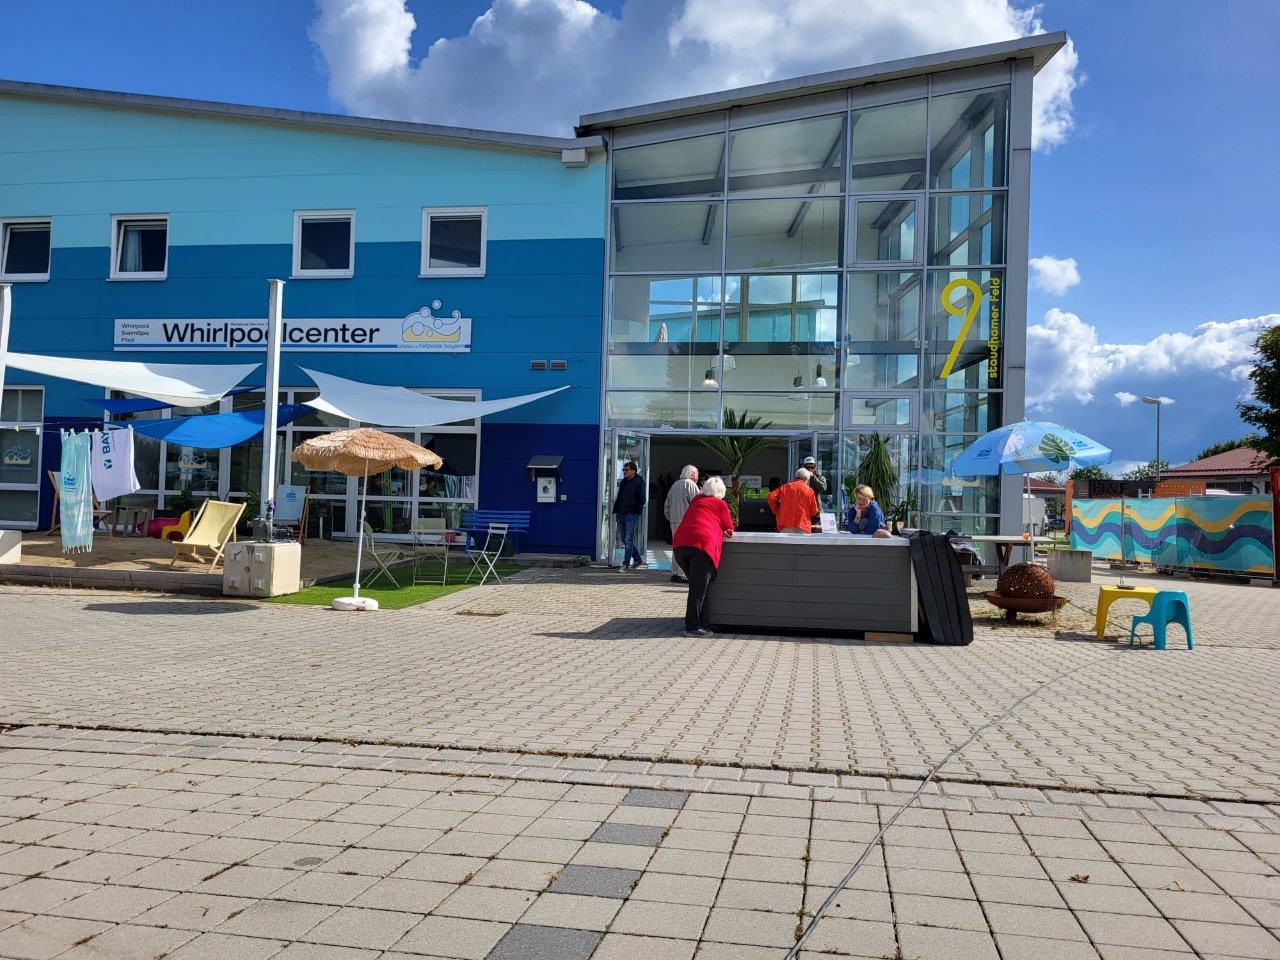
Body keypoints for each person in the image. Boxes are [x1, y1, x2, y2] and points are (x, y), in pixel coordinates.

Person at [673, 476, 734, 636]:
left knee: (699, 587)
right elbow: (729, 528)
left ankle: (703, 624)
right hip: (701, 547)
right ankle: (692, 627)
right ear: (721, 491)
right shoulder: (720, 504)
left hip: (680, 546)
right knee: (698, 589)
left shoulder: (696, 501)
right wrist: (723, 530)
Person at [663, 464, 699, 583]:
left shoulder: (675, 485)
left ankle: (674, 573)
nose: (697, 477)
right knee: (685, 548)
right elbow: (697, 504)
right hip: (686, 522)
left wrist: (670, 517)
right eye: (697, 474)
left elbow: (666, 505)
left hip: (674, 520)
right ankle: (682, 574)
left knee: (677, 547)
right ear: (692, 474)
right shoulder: (691, 485)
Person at [612, 460, 647, 570]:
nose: (624, 472)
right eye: (623, 470)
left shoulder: (639, 481)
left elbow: (642, 499)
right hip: (621, 514)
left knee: (628, 539)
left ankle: (625, 564)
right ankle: (638, 559)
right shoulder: (624, 482)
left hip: (631, 515)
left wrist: (634, 511)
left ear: (633, 471)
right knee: (624, 538)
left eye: (626, 470)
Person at [767, 468, 820, 534]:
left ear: (796, 477)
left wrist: (777, 511)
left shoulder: (785, 487)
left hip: (785, 524)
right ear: (806, 479)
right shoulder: (810, 491)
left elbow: (771, 497)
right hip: (803, 525)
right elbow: (814, 511)